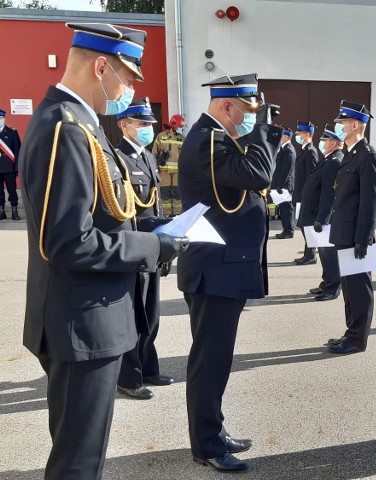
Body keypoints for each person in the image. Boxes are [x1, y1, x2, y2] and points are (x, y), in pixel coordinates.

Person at [18, 22, 189, 479]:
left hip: (86, 318)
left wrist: (153, 228)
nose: (131, 89)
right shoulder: (66, 129)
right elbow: (68, 242)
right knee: (78, 463)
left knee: (81, 456)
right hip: (81, 324)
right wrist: (151, 246)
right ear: (101, 67)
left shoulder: (79, 125)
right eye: (129, 77)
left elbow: (99, 214)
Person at [177, 73, 283, 472]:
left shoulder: (219, 140)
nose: (253, 120)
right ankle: (205, 445)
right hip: (214, 271)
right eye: (249, 111)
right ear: (227, 106)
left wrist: (254, 129)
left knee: (217, 360)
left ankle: (213, 431)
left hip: (224, 269)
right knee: (210, 360)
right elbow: (259, 175)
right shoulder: (209, 141)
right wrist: (264, 132)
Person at [114, 98, 176, 400]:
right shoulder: (117, 158)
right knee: (133, 317)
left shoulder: (149, 158)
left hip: (151, 247)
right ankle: (128, 376)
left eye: (150, 124)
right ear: (124, 125)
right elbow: (125, 211)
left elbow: (156, 203)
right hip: (135, 247)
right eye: (142, 124)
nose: (148, 129)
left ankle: (149, 367)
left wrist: (163, 239)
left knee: (151, 314)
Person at [326, 101, 376, 354]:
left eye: (341, 123)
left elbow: (370, 201)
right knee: (349, 288)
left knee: (359, 288)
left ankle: (358, 339)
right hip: (344, 231)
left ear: (355, 125)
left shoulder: (368, 156)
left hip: (356, 236)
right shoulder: (350, 154)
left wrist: (363, 238)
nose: (337, 126)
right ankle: (351, 332)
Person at [301, 124, 344, 301]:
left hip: (323, 216)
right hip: (316, 213)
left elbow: (329, 193)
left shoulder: (335, 161)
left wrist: (322, 219)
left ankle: (332, 288)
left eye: (324, 140)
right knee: (324, 254)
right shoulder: (328, 159)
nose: (322, 143)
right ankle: (326, 283)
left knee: (329, 254)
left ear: (333, 143)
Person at [292, 120, 319, 264]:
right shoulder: (304, 150)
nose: (297, 135)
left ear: (307, 134)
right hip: (301, 194)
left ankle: (311, 254)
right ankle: (309, 253)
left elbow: (312, 176)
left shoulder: (310, 152)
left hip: (307, 195)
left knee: (307, 226)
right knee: (304, 226)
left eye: (300, 133)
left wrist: (308, 196)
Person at [152, 113, 185, 216]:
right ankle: (165, 216)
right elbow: (154, 153)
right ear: (174, 125)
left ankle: (177, 215)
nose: (181, 129)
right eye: (180, 126)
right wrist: (154, 169)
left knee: (178, 195)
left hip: (178, 173)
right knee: (165, 194)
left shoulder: (182, 138)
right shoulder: (161, 136)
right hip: (163, 172)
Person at [272, 127, 296, 239]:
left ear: (286, 137)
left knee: (286, 208)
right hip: (280, 184)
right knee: (283, 208)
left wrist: (280, 186)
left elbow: (286, 170)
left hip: (284, 185)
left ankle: (289, 230)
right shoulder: (283, 149)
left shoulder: (289, 150)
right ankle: (285, 229)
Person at [0, 109, 21, 220]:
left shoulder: (12, 132)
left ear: (4, 118)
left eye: (1, 118)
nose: (0, 120)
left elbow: (18, 150)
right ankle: (1, 211)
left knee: (12, 189)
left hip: (9, 167)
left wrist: (17, 167)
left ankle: (14, 211)